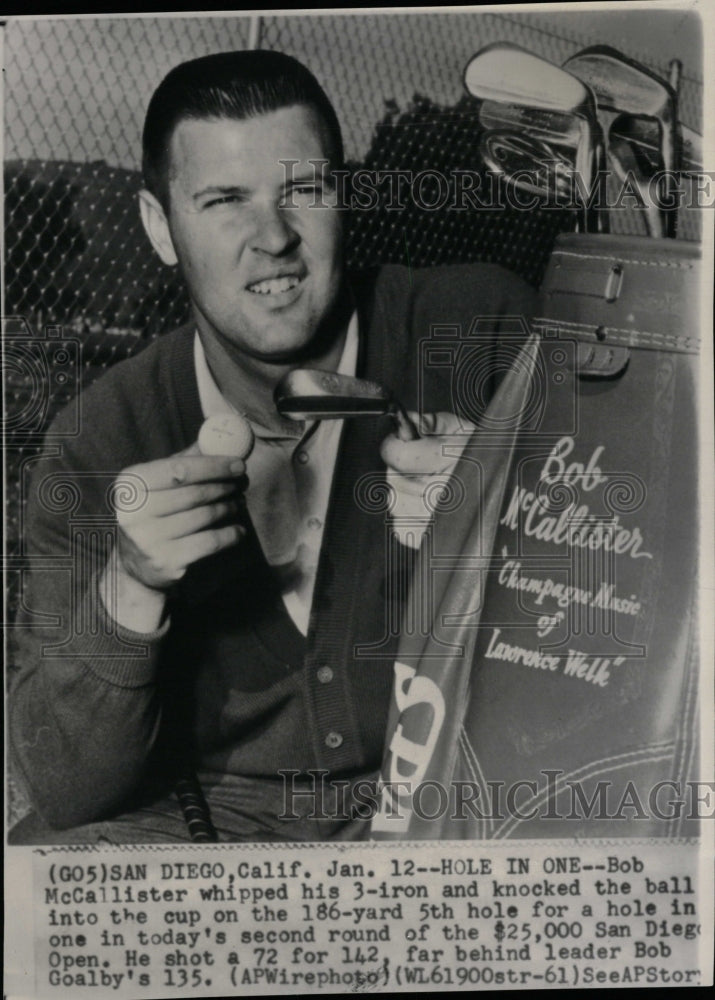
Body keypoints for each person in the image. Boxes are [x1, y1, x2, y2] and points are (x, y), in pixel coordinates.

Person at [9, 50, 536, 844]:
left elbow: (639, 628)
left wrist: (505, 523)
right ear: (160, 227)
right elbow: (66, 785)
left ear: (343, 194)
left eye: (304, 190)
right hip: (217, 823)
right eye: (224, 200)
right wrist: (131, 586)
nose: (273, 238)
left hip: (451, 800)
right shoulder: (101, 437)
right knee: (34, 891)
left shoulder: (482, 332)